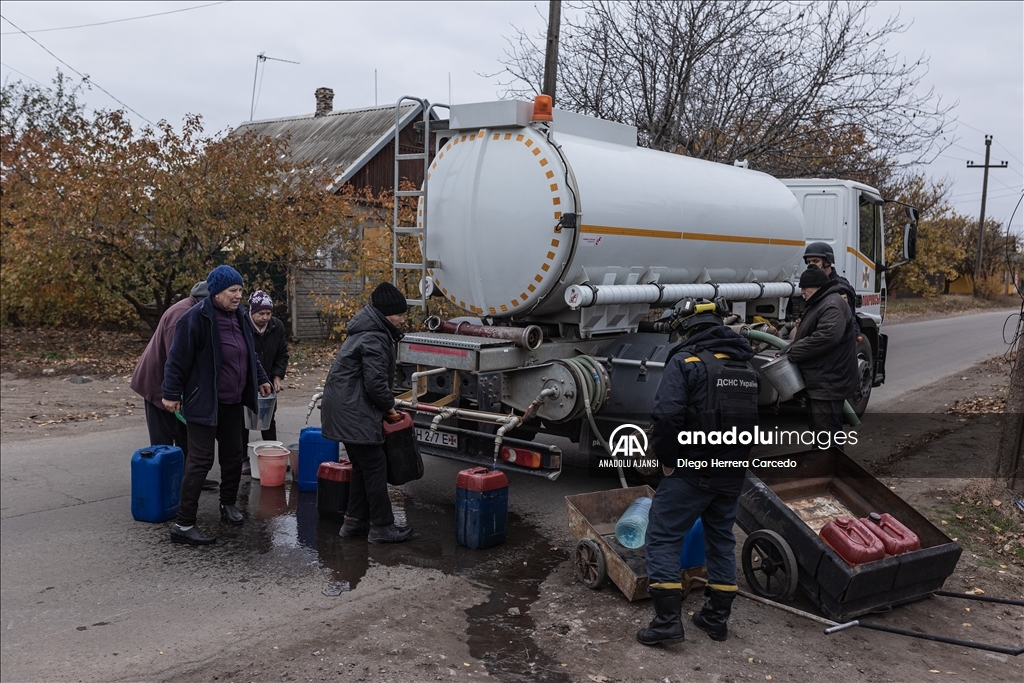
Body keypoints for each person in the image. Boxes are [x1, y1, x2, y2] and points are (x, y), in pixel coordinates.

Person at [639, 299, 759, 647]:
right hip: (731, 472)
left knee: (662, 536)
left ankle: (666, 623)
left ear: (687, 328)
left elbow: (665, 417)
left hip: (692, 471)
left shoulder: (686, 362)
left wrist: (668, 459)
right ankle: (716, 619)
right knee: (721, 540)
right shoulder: (745, 368)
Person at [162, 265, 272, 545]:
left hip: (233, 401)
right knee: (200, 462)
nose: (239, 296)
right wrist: (171, 392)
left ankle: (228, 504)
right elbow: (177, 359)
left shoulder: (239, 317)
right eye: (233, 291)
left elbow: (250, 353)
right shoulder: (195, 319)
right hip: (204, 402)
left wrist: (260, 377)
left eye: (240, 290)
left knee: (233, 455)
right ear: (217, 292)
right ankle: (184, 524)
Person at [321, 282, 412, 544]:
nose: (401, 319)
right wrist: (390, 407)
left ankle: (353, 523)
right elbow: (375, 384)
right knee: (374, 468)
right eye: (399, 314)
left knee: (362, 467)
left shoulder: (363, 331)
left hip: (344, 409)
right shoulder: (375, 336)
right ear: (386, 314)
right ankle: (382, 527)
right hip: (354, 412)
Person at [130, 281, 217, 491]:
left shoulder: (197, 311)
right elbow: (176, 360)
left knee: (186, 435)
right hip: (157, 385)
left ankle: (190, 479)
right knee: (163, 439)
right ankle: (164, 487)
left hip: (176, 387)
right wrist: (175, 393)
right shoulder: (181, 316)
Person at [784, 265, 859, 436]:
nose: (802, 291)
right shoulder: (820, 302)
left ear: (818, 286)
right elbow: (807, 336)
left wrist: (793, 352)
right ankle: (824, 461)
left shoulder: (832, 304)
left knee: (827, 434)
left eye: (805, 287)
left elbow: (826, 337)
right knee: (821, 433)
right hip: (822, 381)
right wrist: (788, 349)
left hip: (829, 383)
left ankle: (831, 462)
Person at [241, 290, 289, 475]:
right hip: (244, 381)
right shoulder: (242, 324)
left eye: (268, 313)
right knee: (242, 421)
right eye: (261, 313)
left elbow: (282, 354)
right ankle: (242, 459)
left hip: (267, 380)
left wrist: (277, 376)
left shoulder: (276, 326)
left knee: (268, 419)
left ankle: (271, 454)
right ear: (252, 312)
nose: (265, 317)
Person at [803, 242, 858, 324]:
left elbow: (840, 321)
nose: (811, 265)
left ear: (827, 262)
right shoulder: (815, 285)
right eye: (809, 262)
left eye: (815, 261)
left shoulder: (839, 288)